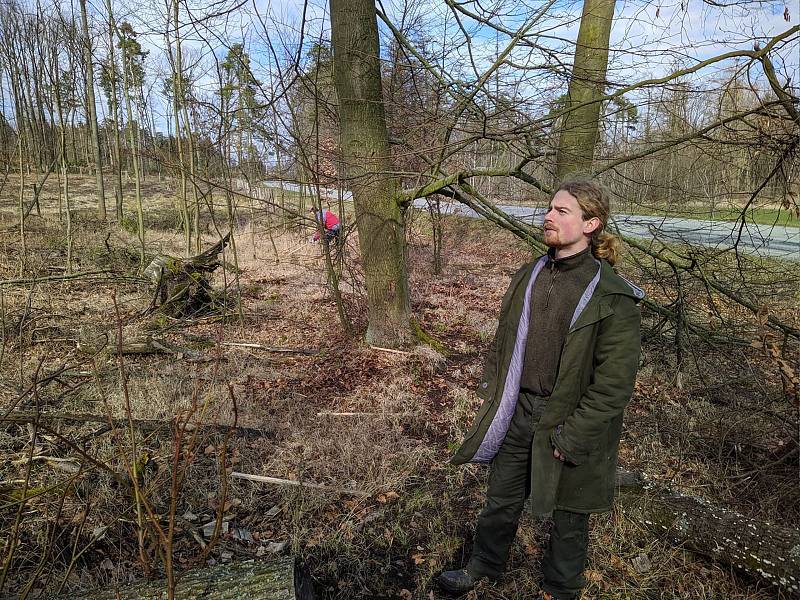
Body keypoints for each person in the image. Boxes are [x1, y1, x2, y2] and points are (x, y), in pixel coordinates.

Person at [437, 178, 644, 600]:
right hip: (520, 410)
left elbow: (614, 384)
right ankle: (484, 566)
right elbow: (505, 340)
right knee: (501, 499)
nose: (548, 216)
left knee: (571, 515)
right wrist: (495, 392)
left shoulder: (612, 296)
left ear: (591, 224)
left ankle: (561, 589)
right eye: (549, 208)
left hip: (571, 419)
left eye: (561, 211)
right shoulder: (529, 274)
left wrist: (573, 436)